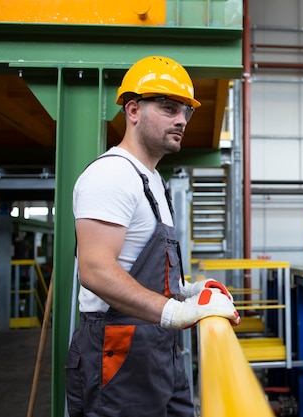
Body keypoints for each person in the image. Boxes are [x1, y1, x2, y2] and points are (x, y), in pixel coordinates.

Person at [65, 55, 240, 417]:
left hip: (159, 350)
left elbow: (136, 262)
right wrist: (175, 311)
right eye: (168, 107)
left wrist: (188, 290)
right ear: (133, 110)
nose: (181, 119)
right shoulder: (111, 176)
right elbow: (95, 270)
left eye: (185, 112)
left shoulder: (152, 181)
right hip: (117, 354)